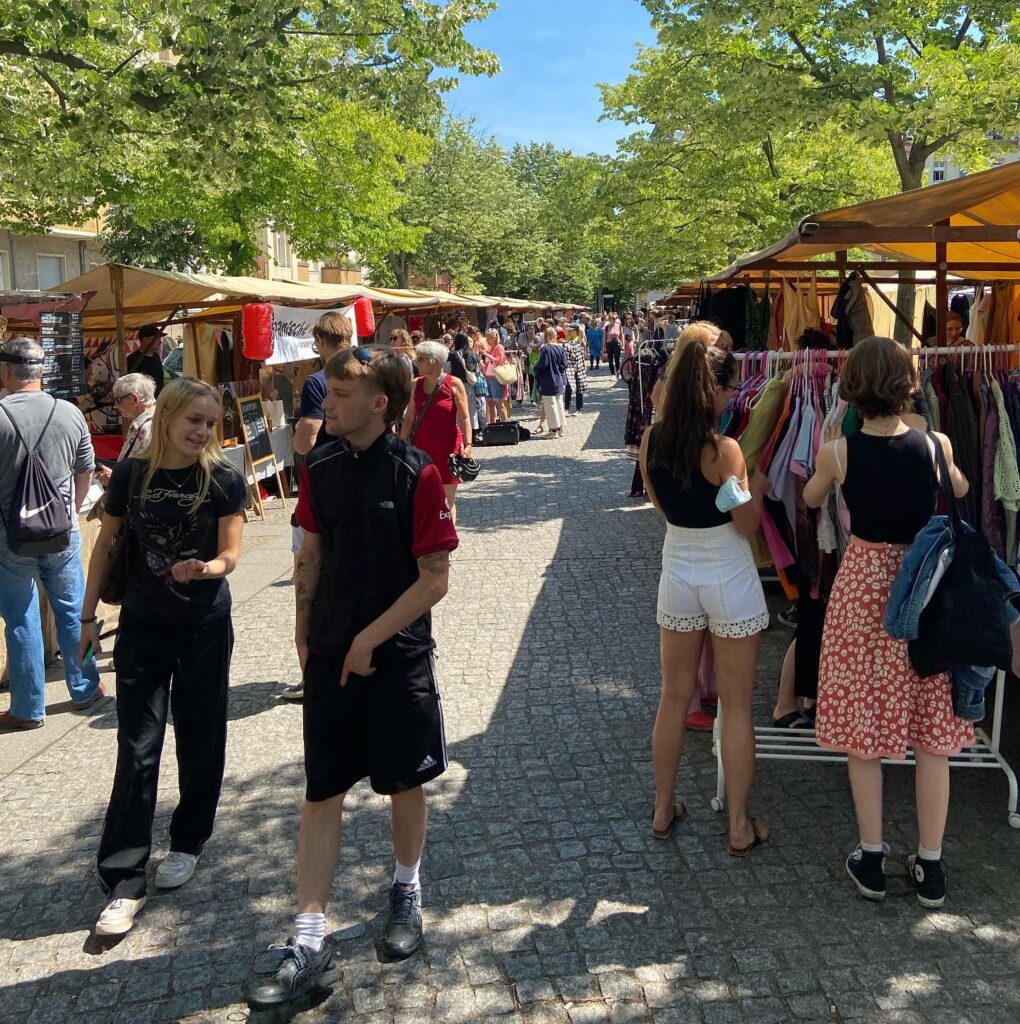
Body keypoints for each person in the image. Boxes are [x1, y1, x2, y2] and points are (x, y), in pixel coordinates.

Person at [250, 347, 458, 1009]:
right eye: (330, 392)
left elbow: (435, 580)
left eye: (340, 395)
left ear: (380, 404)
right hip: (331, 652)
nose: (326, 403)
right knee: (323, 787)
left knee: (403, 780)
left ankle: (406, 890)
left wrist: (372, 638)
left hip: (394, 656)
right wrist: (303, 622)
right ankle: (308, 935)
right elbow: (309, 548)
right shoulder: (320, 466)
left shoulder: (416, 472)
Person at [804, 337, 972, 908]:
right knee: (933, 735)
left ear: (853, 386)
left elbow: (809, 497)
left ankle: (872, 857)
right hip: (923, 586)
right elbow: (962, 490)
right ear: (906, 383)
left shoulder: (839, 450)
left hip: (865, 587)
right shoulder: (934, 444)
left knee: (863, 725)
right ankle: (930, 865)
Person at [80, 378, 246, 935]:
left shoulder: (224, 478)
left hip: (203, 624)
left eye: (210, 423)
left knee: (201, 736)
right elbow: (106, 545)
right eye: (193, 420)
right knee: (138, 745)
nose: (202, 431)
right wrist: (84, 617)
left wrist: (208, 569)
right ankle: (124, 878)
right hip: (143, 627)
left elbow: (231, 553)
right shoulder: (132, 475)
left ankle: (188, 839)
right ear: (169, 417)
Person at [639, 341, 770, 854]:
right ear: (713, 390)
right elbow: (747, 525)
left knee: (673, 697)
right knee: (736, 706)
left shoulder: (652, 440)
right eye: (731, 387)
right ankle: (739, 824)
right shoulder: (726, 450)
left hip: (678, 567)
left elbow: (659, 505)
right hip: (727, 572)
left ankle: (662, 807)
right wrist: (754, 485)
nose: (734, 396)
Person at [0, 338, 102, 730]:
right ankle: (86, 688)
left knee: (21, 619)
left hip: (10, 536)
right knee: (75, 611)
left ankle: (27, 709)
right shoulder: (69, 412)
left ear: (7, 373)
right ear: (41, 372)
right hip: (63, 529)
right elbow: (86, 469)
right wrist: (72, 510)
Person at [402, 341, 473, 525]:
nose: (416, 363)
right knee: (423, 496)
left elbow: (465, 418)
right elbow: (409, 418)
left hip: (447, 449)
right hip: (421, 451)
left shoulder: (454, 384)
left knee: (447, 499)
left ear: (436, 361)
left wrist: (468, 445)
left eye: (421, 359)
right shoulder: (414, 385)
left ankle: (448, 542)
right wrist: (401, 446)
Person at [95, 373, 156, 486]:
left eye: (118, 400)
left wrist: (115, 478)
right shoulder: (141, 421)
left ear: (134, 399)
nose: (115, 406)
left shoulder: (150, 427)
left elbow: (147, 477)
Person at [536, 327, 568, 439]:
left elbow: (543, 365)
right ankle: (561, 428)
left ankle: (554, 430)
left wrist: (536, 366)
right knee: (559, 405)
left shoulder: (545, 349)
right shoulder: (560, 348)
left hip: (548, 380)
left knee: (551, 405)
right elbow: (565, 364)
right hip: (559, 379)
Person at [126, 324, 167, 396]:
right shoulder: (132, 360)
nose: (160, 342)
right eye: (157, 339)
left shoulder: (156, 356)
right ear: (145, 340)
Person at [480, 327, 510, 425]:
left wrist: (487, 355)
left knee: (499, 403)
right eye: (487, 338)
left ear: (494, 337)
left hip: (496, 378)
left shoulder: (499, 347)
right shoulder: (492, 348)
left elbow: (500, 361)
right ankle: (492, 425)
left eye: (489, 338)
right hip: (489, 377)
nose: (487, 341)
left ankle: (504, 425)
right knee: (490, 404)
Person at [563, 324, 588, 414]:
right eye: (569, 330)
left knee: (579, 387)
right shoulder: (568, 341)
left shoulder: (580, 340)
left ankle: (578, 408)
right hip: (570, 367)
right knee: (568, 387)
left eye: (571, 330)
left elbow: (579, 352)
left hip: (579, 366)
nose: (569, 331)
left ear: (576, 331)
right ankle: (567, 407)